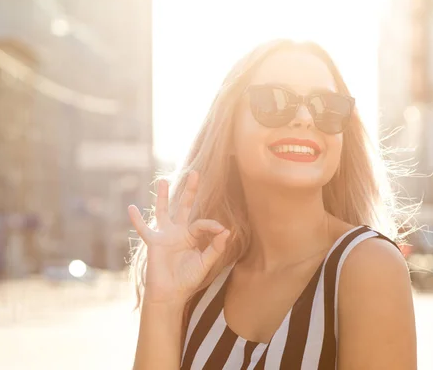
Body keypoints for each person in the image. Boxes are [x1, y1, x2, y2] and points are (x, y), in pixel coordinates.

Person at [128, 39, 417, 369]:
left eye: (327, 106)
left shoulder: (368, 266)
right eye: (274, 101)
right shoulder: (202, 279)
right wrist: (163, 303)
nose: (305, 118)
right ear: (228, 132)